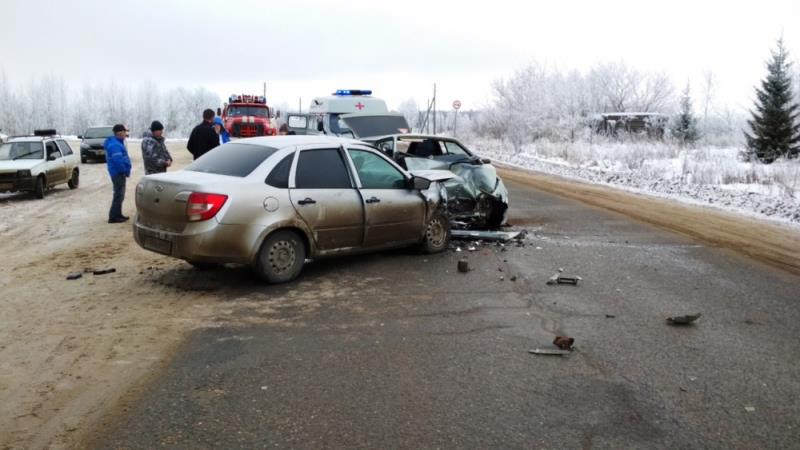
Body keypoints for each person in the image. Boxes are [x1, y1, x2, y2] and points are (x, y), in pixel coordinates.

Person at [105, 124, 132, 223]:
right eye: (125, 132)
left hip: (118, 173)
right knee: (118, 195)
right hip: (118, 173)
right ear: (119, 132)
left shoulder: (117, 143)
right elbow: (118, 161)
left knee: (120, 195)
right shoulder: (115, 145)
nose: (126, 134)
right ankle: (113, 217)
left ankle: (118, 214)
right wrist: (124, 171)